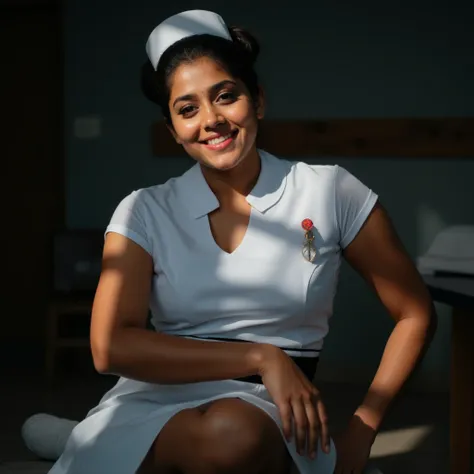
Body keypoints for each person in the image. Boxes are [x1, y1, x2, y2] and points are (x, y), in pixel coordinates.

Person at [43, 9, 435, 474]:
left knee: (230, 435)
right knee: (206, 438)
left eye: (225, 96)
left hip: (267, 408)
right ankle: (93, 435)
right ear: (173, 132)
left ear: (259, 100)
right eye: (187, 109)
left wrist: (362, 431)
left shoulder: (328, 191)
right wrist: (261, 355)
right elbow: (110, 348)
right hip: (154, 394)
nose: (211, 120)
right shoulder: (144, 209)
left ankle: (87, 441)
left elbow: (415, 313)